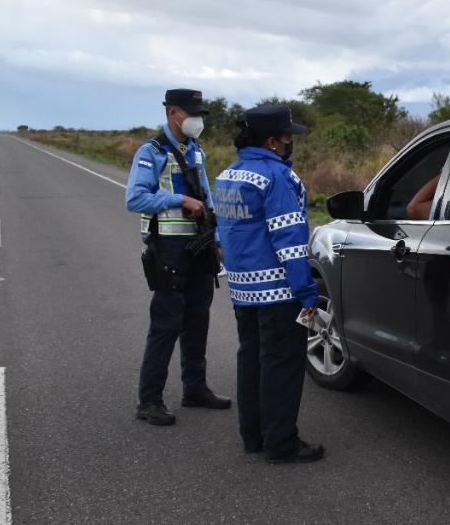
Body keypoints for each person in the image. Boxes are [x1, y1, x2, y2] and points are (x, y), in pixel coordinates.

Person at [214, 104, 325, 464]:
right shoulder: (278, 178)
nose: (291, 141)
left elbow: (225, 236)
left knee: (251, 361)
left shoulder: (229, 175)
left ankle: (254, 436)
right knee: (282, 367)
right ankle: (281, 443)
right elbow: (290, 241)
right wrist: (307, 292)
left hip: (243, 290)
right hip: (278, 292)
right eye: (287, 135)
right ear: (273, 140)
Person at [126, 88, 230, 426]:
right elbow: (136, 199)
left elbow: (206, 196)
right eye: (192, 113)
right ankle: (149, 400)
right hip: (169, 250)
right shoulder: (151, 152)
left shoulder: (195, 151)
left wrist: (215, 237)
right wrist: (178, 201)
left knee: (198, 319)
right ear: (173, 113)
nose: (197, 120)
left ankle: (195, 388)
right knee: (166, 323)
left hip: (198, 248)